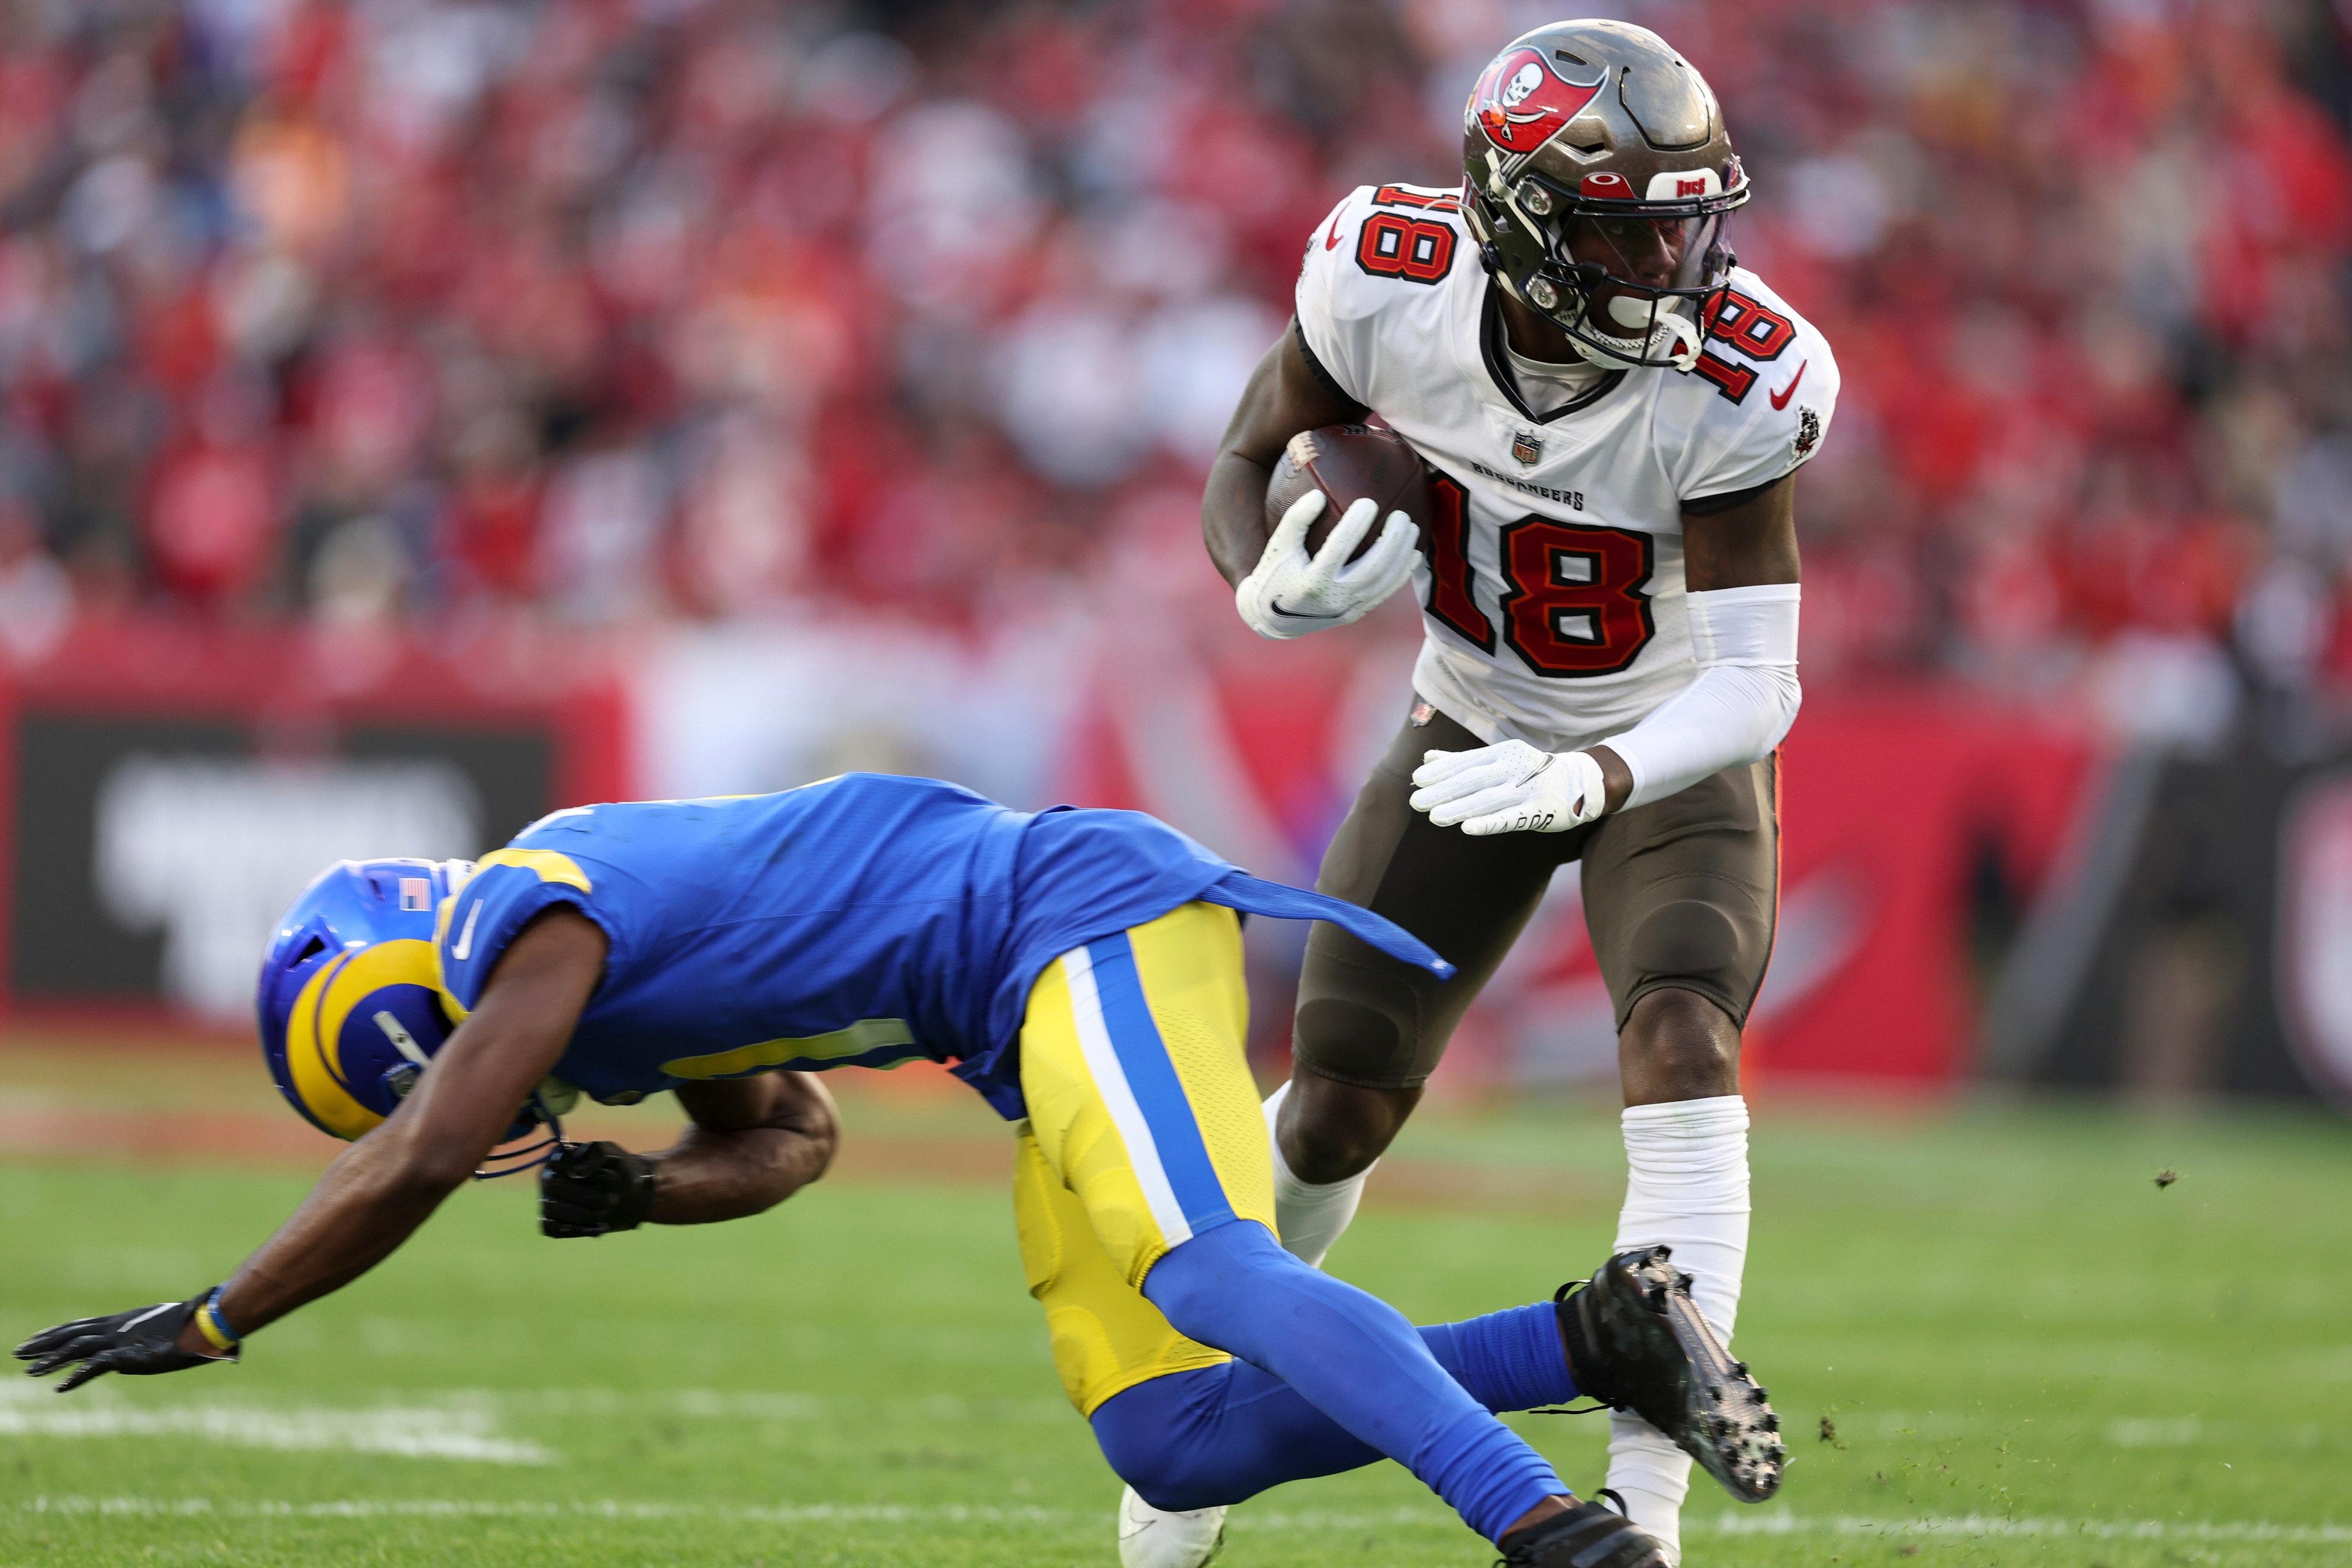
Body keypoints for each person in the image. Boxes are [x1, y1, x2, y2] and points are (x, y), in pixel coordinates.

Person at [16, 775, 1772, 1568]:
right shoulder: (591, 1006)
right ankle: (1592, 1343)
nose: (485, 1088)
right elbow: (790, 1134)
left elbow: (430, 1144)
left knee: (1209, 1268)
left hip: (1071, 919)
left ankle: (1550, 1537)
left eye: (440, 1062)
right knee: (1168, 1432)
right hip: (1025, 1014)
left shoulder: (519, 910)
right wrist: (649, 1189)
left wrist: (223, 1312)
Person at [1198, 19, 1832, 1564]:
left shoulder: (1740, 373)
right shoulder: (1387, 276)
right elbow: (1246, 462)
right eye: (1637, 228)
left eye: (1695, 217)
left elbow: (1760, 684)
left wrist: (1598, 771)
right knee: (1334, 1099)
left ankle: (1649, 1517)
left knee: (1681, 1035)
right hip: (1471, 719)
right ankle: (1212, 1419)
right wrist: (1257, 588)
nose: (1685, 260)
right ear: (1529, 223)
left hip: (1669, 739)